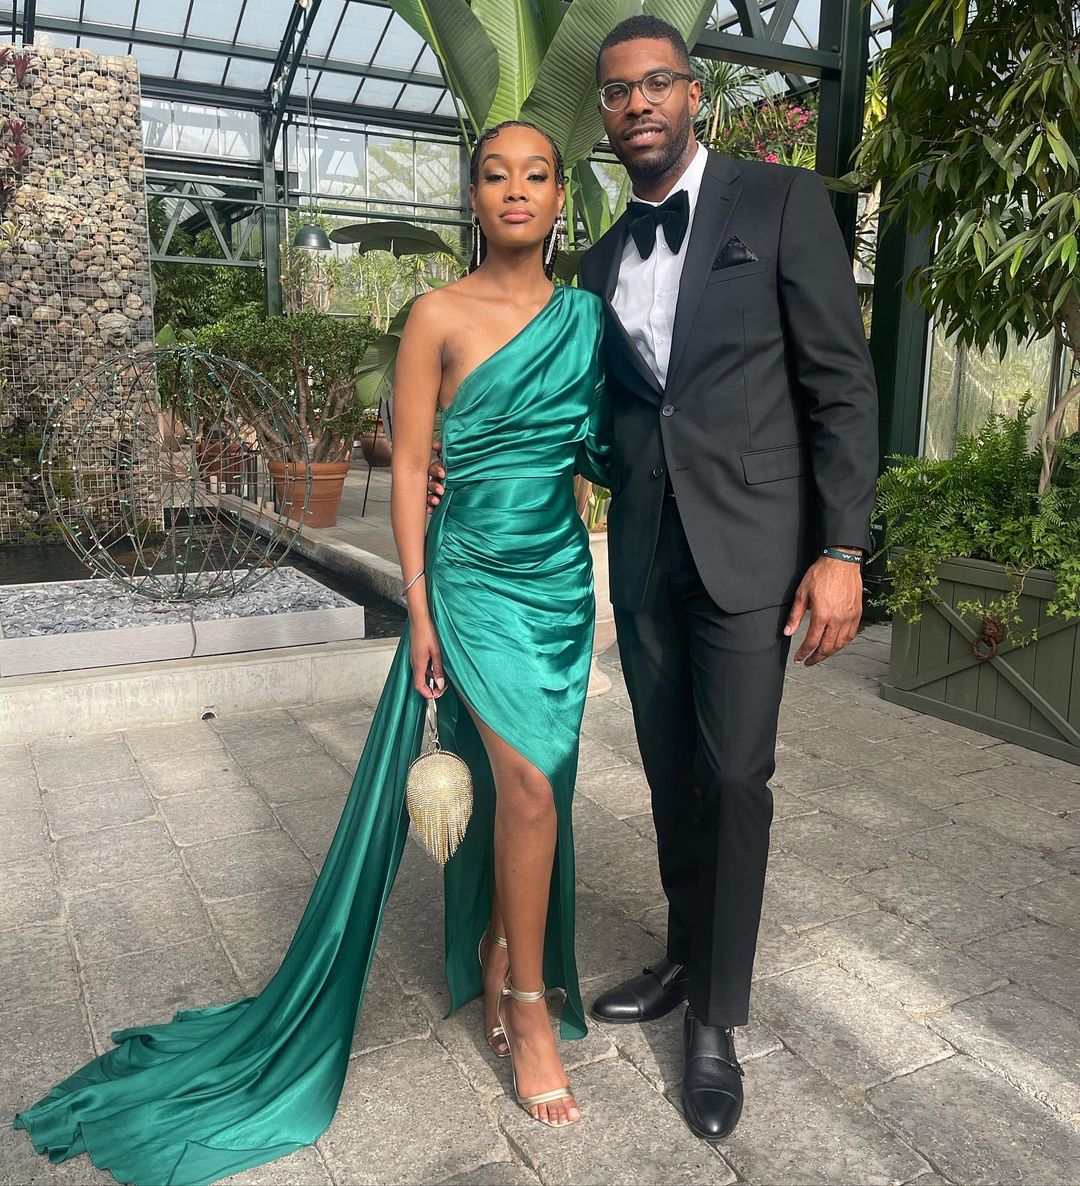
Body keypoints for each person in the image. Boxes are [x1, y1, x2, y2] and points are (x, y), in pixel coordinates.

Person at [12, 120, 610, 1186]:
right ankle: (526, 1006)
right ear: (473, 195)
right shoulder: (436, 315)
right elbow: (412, 465)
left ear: (562, 197)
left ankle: (499, 948)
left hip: (558, 578)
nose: (516, 190)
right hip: (471, 578)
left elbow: (601, 446)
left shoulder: (587, 319)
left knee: (541, 784)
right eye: (495, 174)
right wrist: (419, 609)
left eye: (536, 175)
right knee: (522, 787)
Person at [430, 13, 880, 1146]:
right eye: (619, 91)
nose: (635, 104)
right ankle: (684, 953)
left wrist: (841, 551)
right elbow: (591, 423)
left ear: (693, 96)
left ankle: (717, 1018)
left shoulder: (780, 204)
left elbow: (841, 382)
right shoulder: (593, 267)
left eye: (656, 85)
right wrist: (457, 458)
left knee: (734, 776)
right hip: (640, 552)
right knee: (673, 771)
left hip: (752, 549)